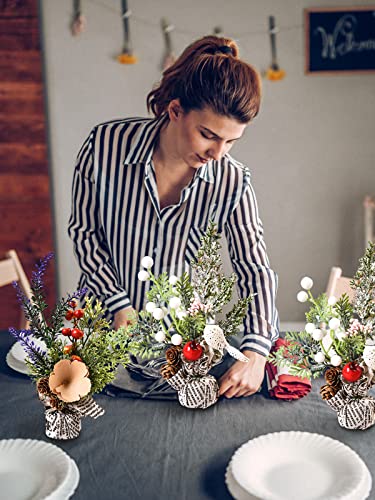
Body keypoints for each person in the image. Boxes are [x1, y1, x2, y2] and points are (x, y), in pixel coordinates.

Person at [68, 35, 279, 398]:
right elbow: (85, 233)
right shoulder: (104, 146)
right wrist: (119, 305)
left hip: (188, 352)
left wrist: (256, 351)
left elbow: (253, 268)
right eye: (208, 135)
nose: (217, 152)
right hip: (104, 343)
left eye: (231, 142)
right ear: (176, 110)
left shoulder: (232, 180)